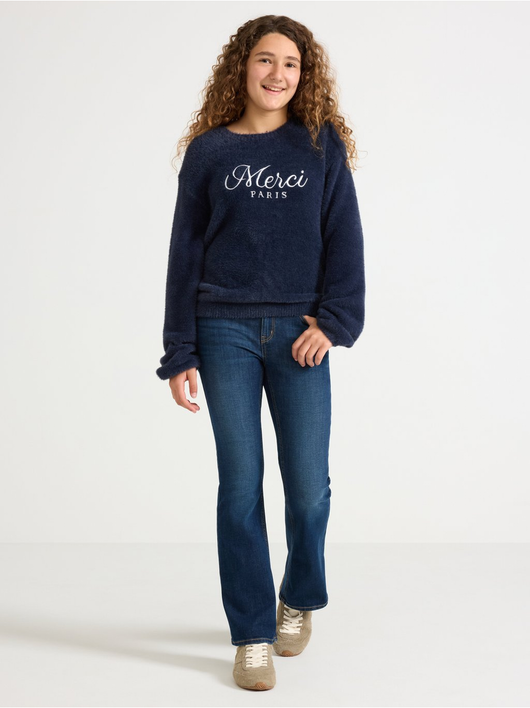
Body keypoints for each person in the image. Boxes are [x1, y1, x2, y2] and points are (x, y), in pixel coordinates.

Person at [156, 14, 366, 691]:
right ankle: (251, 634)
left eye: (292, 64)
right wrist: (179, 350)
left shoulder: (320, 146)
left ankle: (298, 596)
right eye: (266, 60)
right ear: (242, 66)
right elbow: (185, 253)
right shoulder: (210, 152)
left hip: (300, 335)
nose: (278, 74)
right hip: (224, 331)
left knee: (308, 487)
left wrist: (334, 322)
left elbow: (345, 236)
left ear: (305, 75)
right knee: (241, 484)